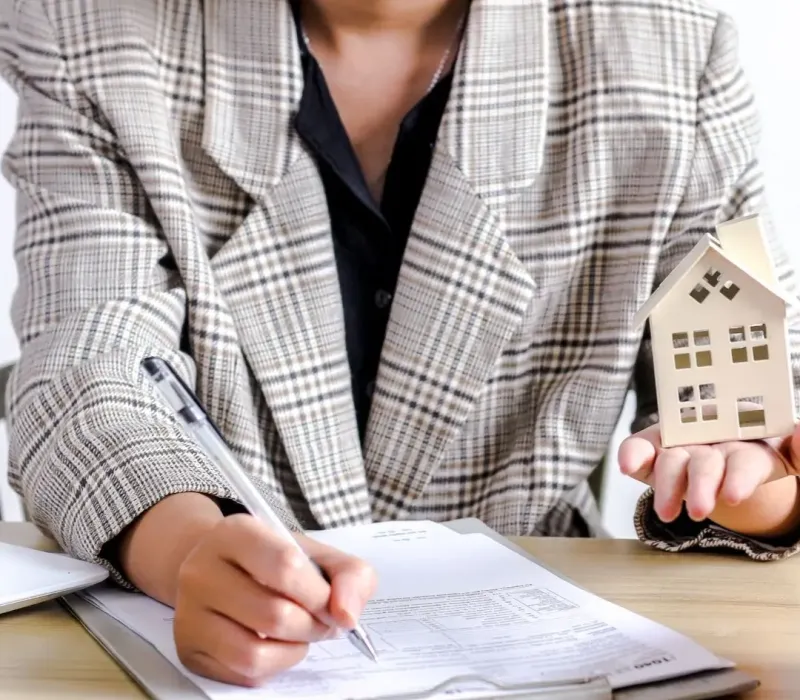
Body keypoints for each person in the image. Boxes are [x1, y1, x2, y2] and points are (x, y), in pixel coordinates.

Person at [1, 0, 799, 688]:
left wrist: (748, 481)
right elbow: (80, 369)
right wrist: (188, 547)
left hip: (551, 657)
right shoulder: (86, 30)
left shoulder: (670, 52)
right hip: (196, 642)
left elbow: (749, 395)